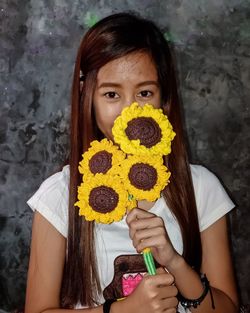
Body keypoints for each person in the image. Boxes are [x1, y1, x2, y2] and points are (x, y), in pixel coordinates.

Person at [24, 12, 239, 313]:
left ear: (164, 98)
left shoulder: (201, 188)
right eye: (112, 94)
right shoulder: (59, 196)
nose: (129, 112)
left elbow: (228, 308)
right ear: (88, 97)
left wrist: (175, 262)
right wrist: (122, 310)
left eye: (145, 93)